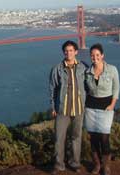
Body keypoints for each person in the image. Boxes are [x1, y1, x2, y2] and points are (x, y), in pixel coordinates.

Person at [49, 40, 88, 174]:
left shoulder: (83, 67)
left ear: (76, 52)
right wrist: (53, 107)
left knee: (76, 137)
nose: (68, 53)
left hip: (79, 108)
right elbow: (52, 89)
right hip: (62, 109)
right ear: (63, 52)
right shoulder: (57, 69)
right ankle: (59, 164)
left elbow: (88, 86)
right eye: (66, 51)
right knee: (59, 138)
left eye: (71, 50)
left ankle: (75, 163)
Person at [84, 43, 120, 175]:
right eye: (92, 55)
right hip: (90, 108)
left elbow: (116, 89)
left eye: (97, 55)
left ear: (102, 55)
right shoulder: (87, 72)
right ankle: (97, 165)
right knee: (93, 138)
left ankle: (106, 166)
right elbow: (84, 90)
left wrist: (112, 105)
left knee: (104, 137)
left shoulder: (112, 69)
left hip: (106, 108)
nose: (95, 57)